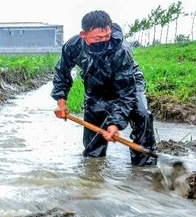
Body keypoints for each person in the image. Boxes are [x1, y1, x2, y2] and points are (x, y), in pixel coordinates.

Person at [52, 10, 156, 166]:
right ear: (83, 35)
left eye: (107, 36)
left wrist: (115, 123)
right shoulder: (73, 46)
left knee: (142, 114)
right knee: (93, 149)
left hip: (128, 82)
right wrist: (61, 102)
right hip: (95, 84)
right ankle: (92, 174)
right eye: (97, 38)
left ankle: (144, 168)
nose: (104, 41)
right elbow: (62, 72)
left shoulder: (121, 50)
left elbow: (126, 93)